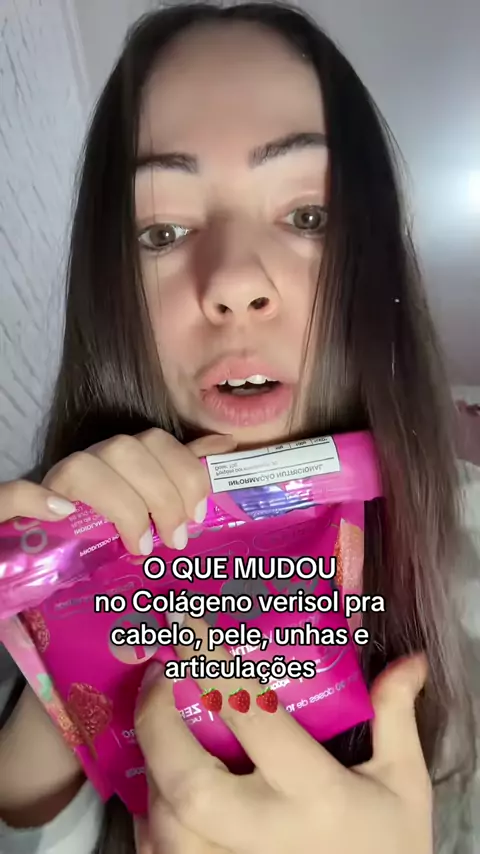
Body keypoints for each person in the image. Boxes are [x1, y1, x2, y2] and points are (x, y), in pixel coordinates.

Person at [0, 2, 479, 852]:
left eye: (307, 217)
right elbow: (21, 800)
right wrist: (66, 592)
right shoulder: (66, 515)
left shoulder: (467, 545)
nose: (232, 283)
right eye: (162, 230)